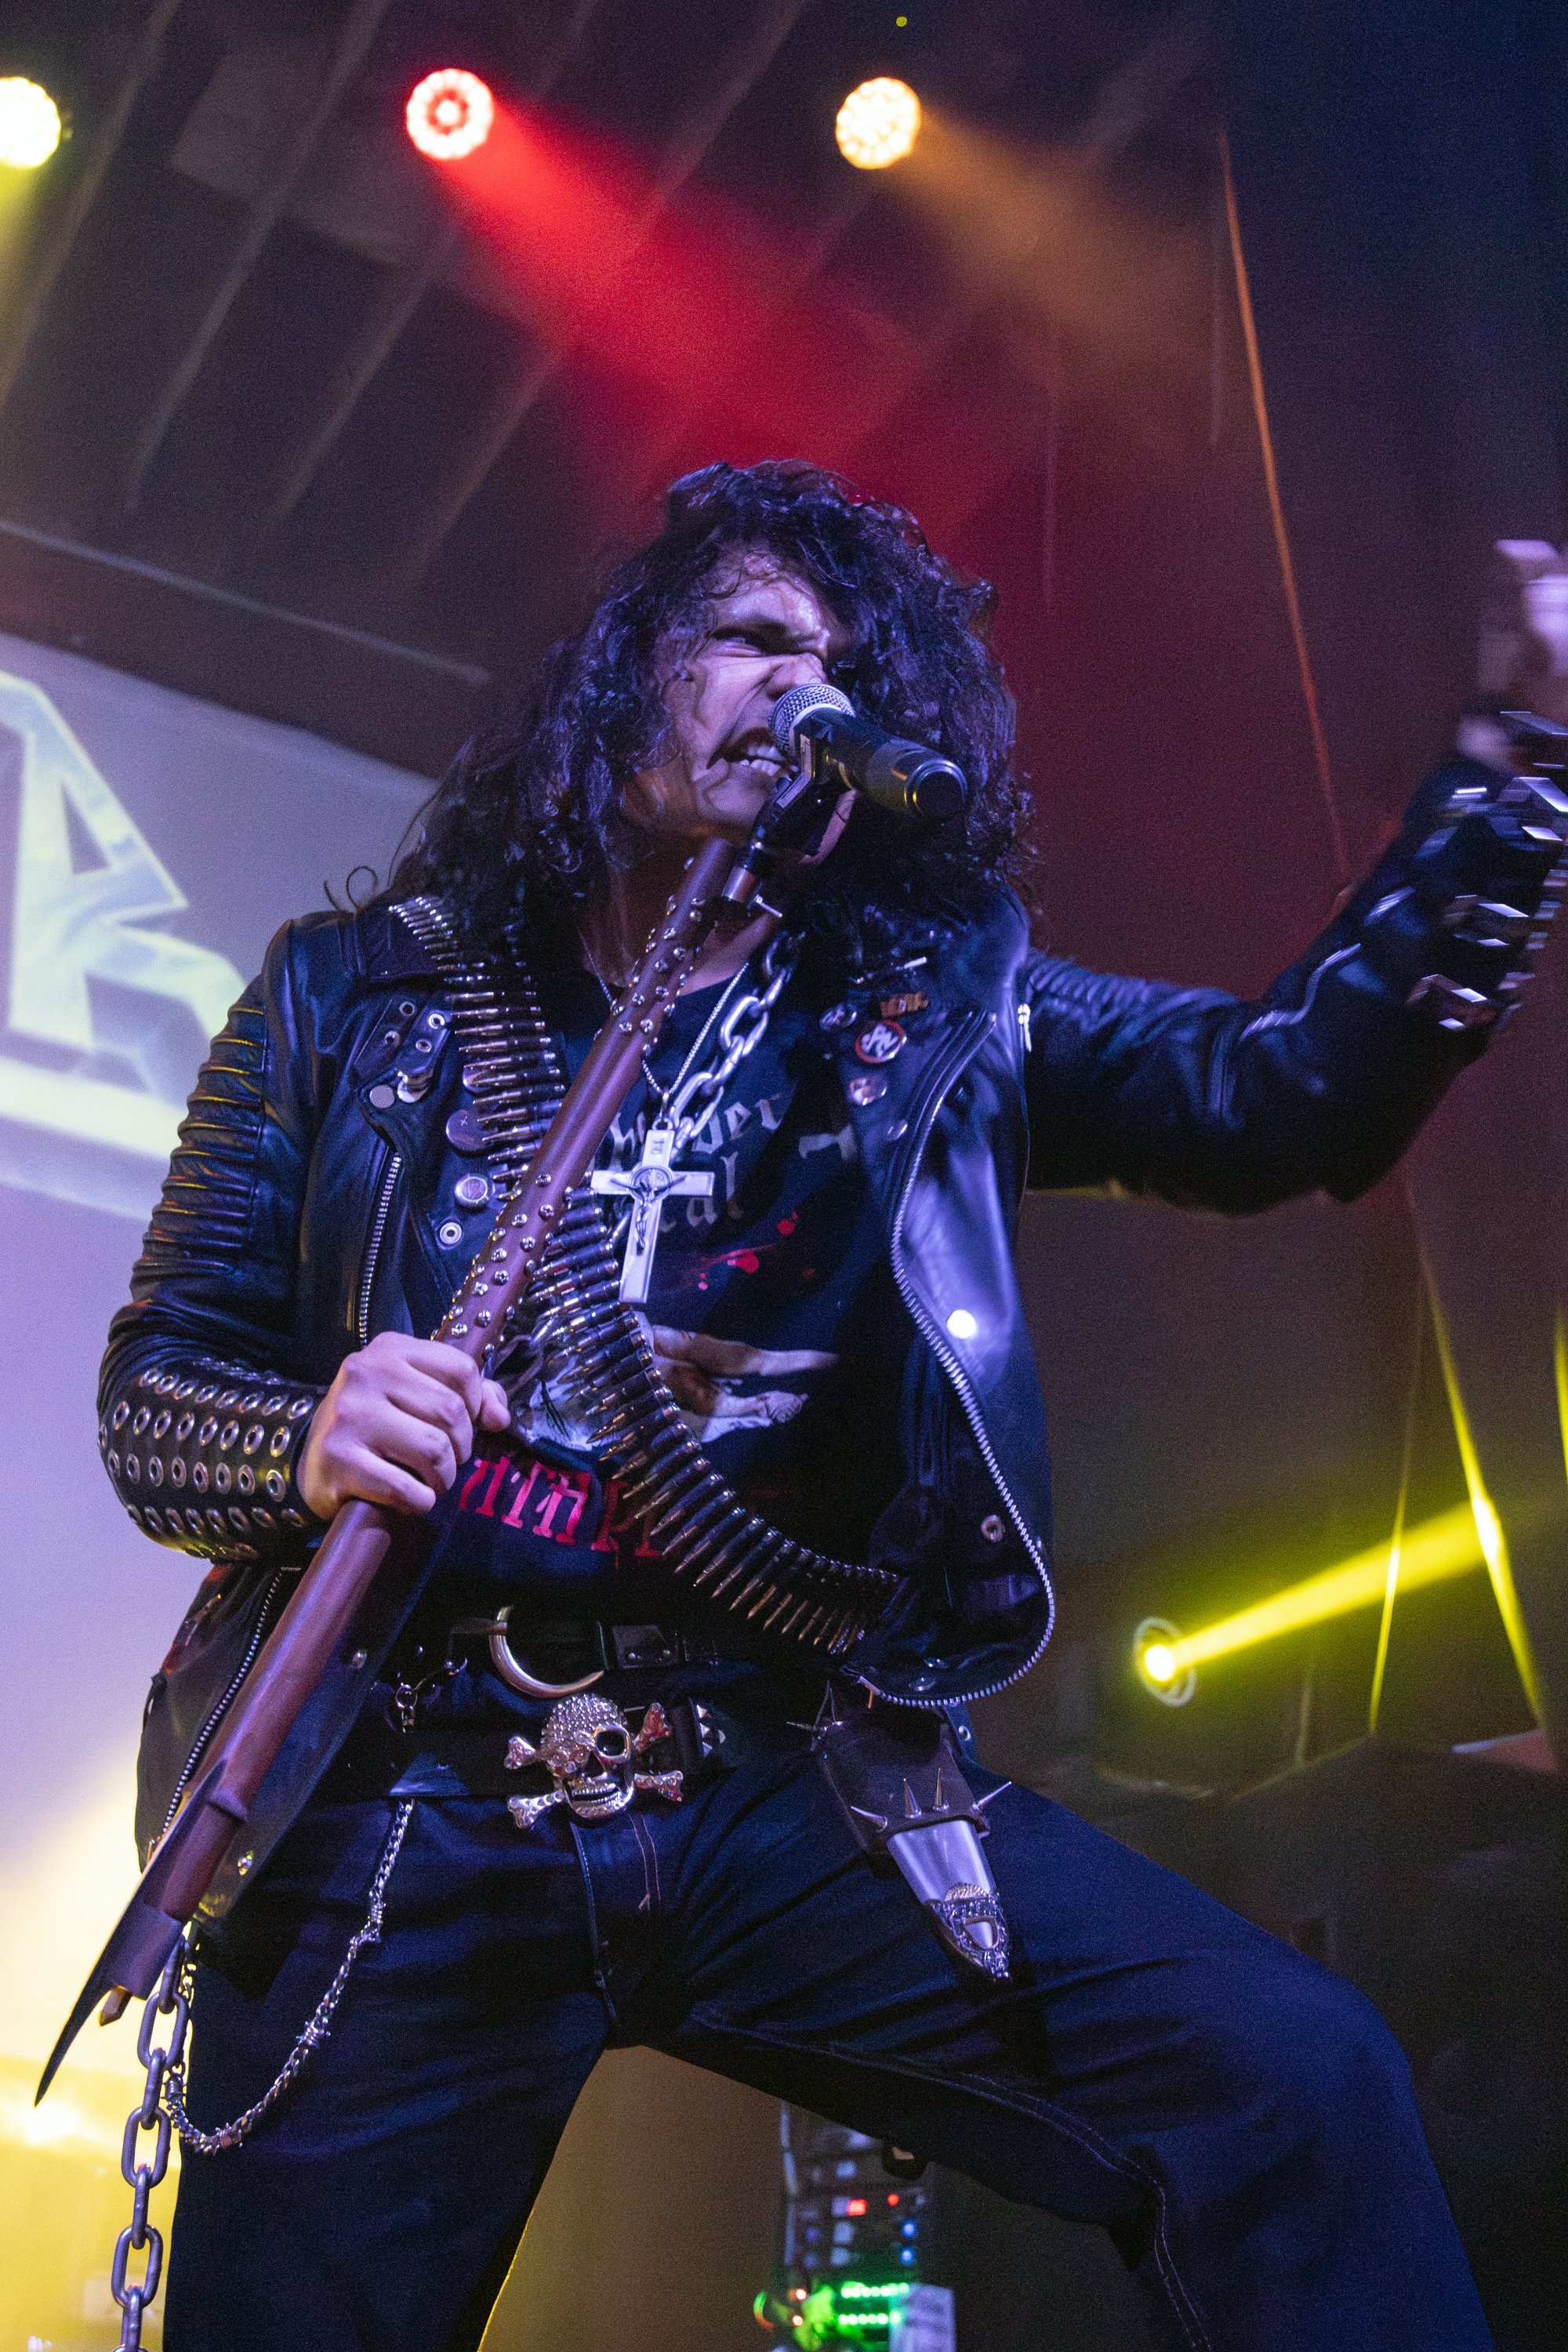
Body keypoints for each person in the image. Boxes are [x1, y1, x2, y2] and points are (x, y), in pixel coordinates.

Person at [100, 461, 1563, 2350]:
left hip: (777, 1785)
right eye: (754, 639)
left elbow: (1278, 1094)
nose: (807, 689)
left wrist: (1513, 771)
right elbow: (155, 1392)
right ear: (625, 670)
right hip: (412, 1789)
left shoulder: (926, 1010)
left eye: (848, 668)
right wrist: (301, 1436)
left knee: (1292, 2080)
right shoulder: (351, 996)